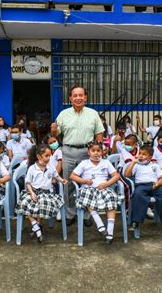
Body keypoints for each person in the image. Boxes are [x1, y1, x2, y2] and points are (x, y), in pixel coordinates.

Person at [50, 85, 104, 226]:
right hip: (68, 151)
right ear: (70, 98)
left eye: (81, 95)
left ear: (85, 97)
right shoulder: (63, 114)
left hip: (88, 153)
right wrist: (54, 130)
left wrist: (99, 151)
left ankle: (87, 214)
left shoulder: (93, 114)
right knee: (68, 183)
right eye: (75, 95)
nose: (78, 98)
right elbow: (56, 134)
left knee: (88, 183)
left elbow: (99, 134)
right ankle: (70, 213)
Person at [15, 144, 68, 243]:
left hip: (46, 193)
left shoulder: (50, 167)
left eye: (50, 155)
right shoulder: (32, 168)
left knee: (42, 205)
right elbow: (28, 182)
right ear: (39, 156)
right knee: (24, 204)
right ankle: (36, 227)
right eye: (46, 156)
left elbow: (56, 176)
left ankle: (36, 228)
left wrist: (62, 180)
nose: (49, 158)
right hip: (33, 192)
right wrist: (31, 193)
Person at [71, 141, 121, 244]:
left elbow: (116, 176)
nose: (96, 153)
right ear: (88, 152)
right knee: (88, 198)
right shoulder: (84, 163)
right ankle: (100, 225)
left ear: (102, 152)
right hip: (88, 188)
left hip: (103, 188)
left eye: (98, 150)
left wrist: (106, 184)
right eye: (93, 151)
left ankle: (110, 233)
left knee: (111, 199)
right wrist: (84, 181)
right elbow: (73, 176)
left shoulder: (106, 163)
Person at [124, 145, 162, 236]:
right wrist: (133, 163)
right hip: (141, 185)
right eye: (140, 154)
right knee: (138, 195)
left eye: (144, 154)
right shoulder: (137, 165)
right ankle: (136, 221)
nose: (141, 156)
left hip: (155, 185)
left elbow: (161, 178)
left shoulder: (155, 166)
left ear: (150, 157)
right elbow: (127, 175)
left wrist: (158, 184)